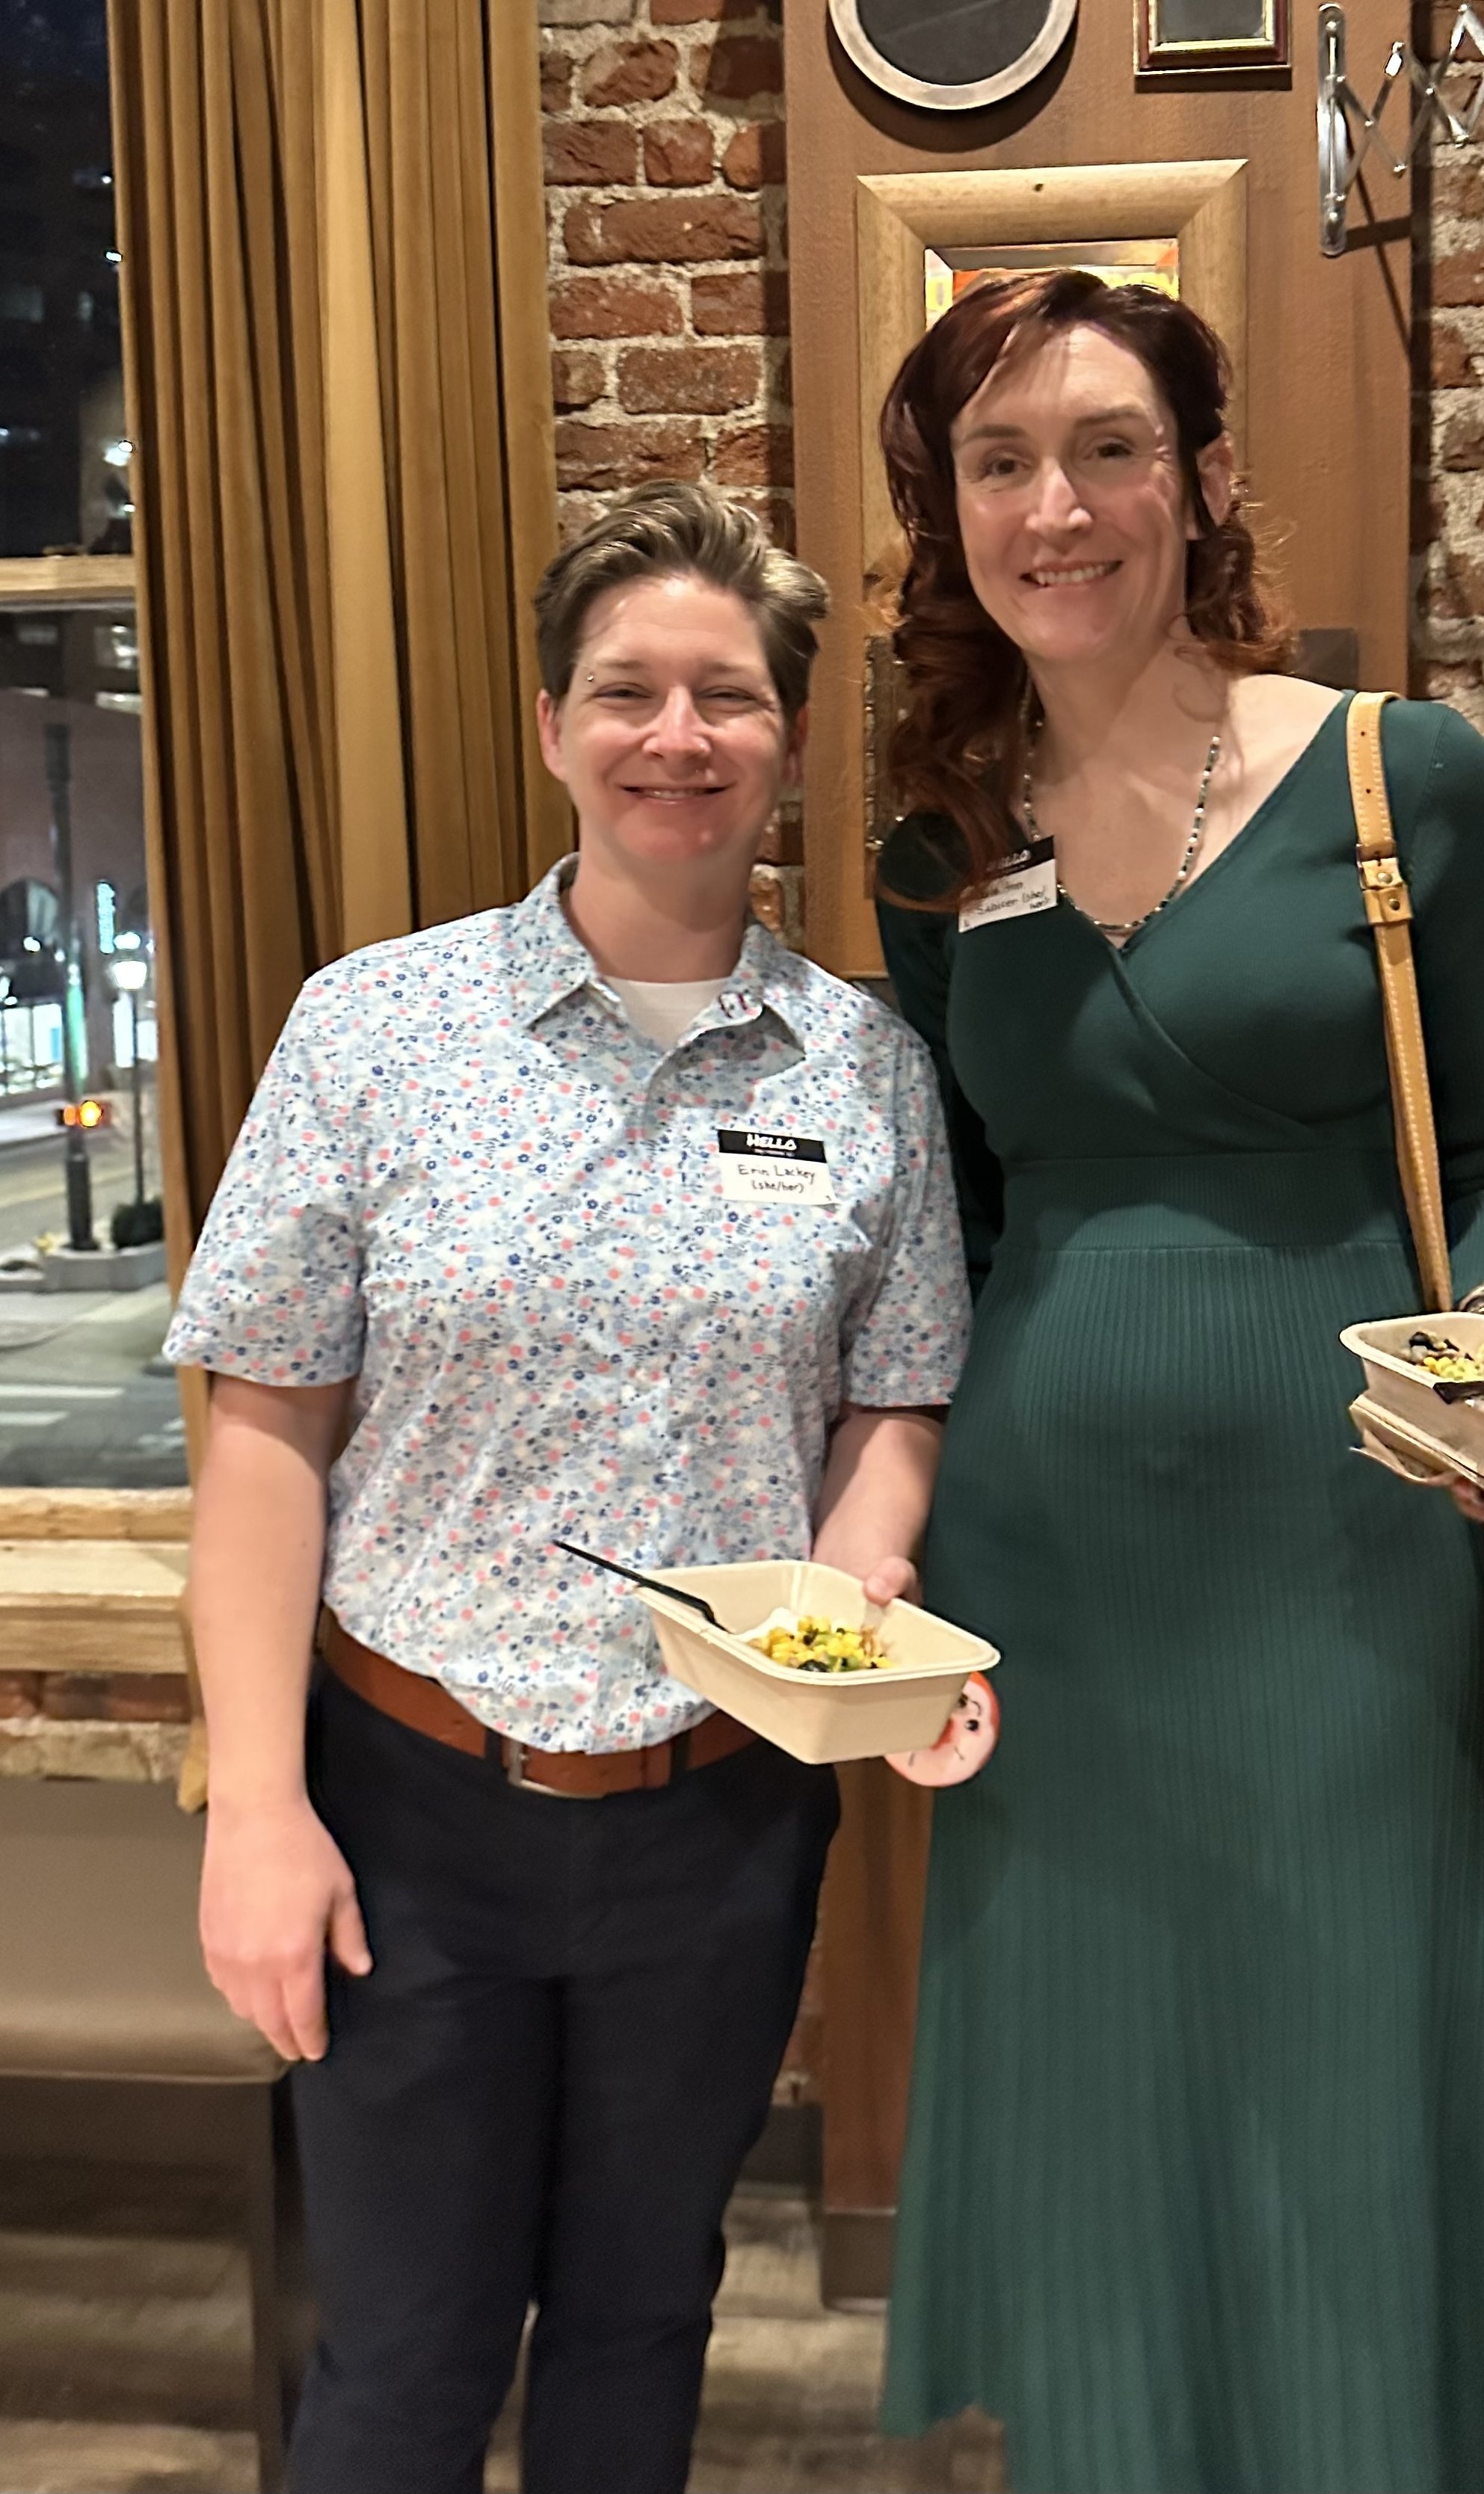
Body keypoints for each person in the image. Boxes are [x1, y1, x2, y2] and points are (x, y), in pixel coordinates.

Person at [872, 270, 1484, 2494]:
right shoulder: (939, 836)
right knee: (1103, 2078)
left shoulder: (1401, 778)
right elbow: (957, 1226)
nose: (1056, 506)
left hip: (1342, 1549)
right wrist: (887, 1536)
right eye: (998, 463)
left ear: (1201, 478)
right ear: (951, 517)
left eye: (1107, 446)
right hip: (1049, 1573)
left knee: (1329, 2057)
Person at [170, 480, 969, 2494]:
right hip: (409, 1807)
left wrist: (862, 1595)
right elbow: (259, 1446)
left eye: (725, 695)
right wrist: (256, 1810)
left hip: (715, 1823)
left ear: (788, 736)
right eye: (626, 691)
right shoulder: (376, 1030)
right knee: (408, 2359)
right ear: (551, 726)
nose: (675, 737)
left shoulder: (861, 1070)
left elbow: (893, 1407)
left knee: (640, 2317)